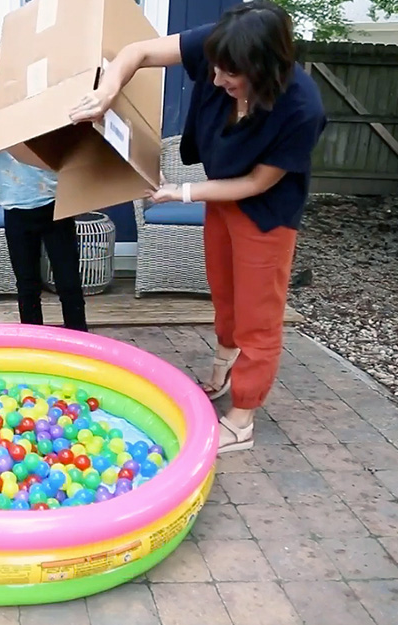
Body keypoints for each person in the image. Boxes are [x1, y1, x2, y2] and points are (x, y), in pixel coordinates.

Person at [69, 1, 326, 453]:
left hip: (267, 212)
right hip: (222, 195)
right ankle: (226, 359)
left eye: (229, 75)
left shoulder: (301, 108)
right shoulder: (219, 45)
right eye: (215, 67)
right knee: (224, 291)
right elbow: (136, 53)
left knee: (258, 316)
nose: (215, 79)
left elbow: (256, 182)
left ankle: (242, 417)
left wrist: (184, 193)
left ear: (262, 68)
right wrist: (107, 91)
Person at [0, 41, 88, 332]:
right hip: (16, 209)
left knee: (68, 280)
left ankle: (81, 339)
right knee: (27, 283)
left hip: (56, 204)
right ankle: (32, 340)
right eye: (2, 73)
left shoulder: (47, 106)